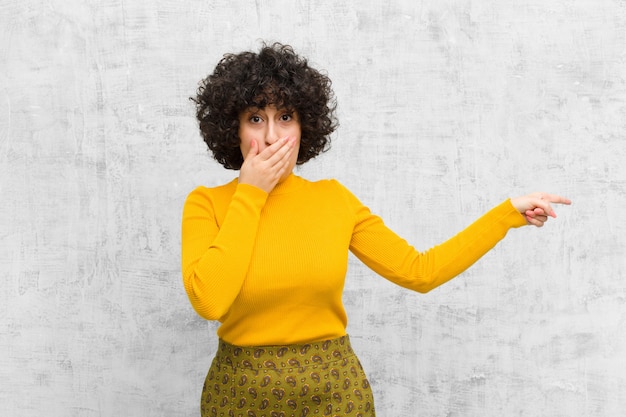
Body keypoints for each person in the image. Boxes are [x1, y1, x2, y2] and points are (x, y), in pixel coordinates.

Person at [182, 42, 571, 417]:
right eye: (255, 119)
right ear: (232, 128)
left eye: (285, 117)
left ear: (304, 126)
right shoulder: (206, 204)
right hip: (238, 397)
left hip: (334, 396)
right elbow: (209, 302)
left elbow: (420, 272)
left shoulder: (334, 200)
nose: (269, 137)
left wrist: (505, 215)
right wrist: (250, 194)